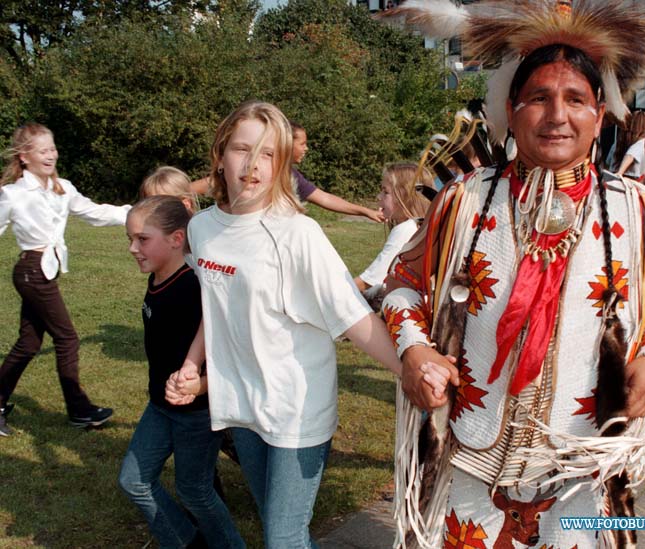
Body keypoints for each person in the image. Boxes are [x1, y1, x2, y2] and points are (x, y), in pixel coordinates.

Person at [380, 1, 645, 547]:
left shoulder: (635, 209)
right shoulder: (465, 200)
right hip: (473, 455)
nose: (557, 115)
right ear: (511, 107)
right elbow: (401, 284)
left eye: (576, 100)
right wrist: (414, 350)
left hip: (584, 463)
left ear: (600, 113)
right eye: (540, 98)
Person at [166, 100, 404, 548]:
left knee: (282, 537)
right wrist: (190, 364)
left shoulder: (298, 233)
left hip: (298, 409)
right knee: (280, 528)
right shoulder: (201, 229)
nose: (253, 165)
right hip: (243, 406)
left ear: (281, 165)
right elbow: (216, 305)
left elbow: (354, 316)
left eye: (269, 154)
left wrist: (410, 371)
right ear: (220, 154)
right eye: (242, 149)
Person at [118, 194, 244, 549]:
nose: (132, 248)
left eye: (142, 239)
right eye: (130, 239)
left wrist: (199, 385)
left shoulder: (196, 287)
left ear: (176, 239)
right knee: (134, 481)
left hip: (196, 414)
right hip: (159, 406)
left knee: (195, 490)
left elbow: (228, 351)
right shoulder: (159, 277)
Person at [0, 123, 128, 436]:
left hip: (45, 270)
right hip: (31, 271)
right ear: (24, 157)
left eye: (53, 148)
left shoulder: (63, 188)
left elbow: (95, 213)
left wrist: (137, 211)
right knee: (67, 338)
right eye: (43, 150)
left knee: (29, 343)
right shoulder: (13, 194)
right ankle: (79, 410)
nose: (51, 155)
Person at [188, 122, 384, 222]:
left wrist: (365, 211)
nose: (306, 148)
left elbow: (325, 199)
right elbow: (193, 188)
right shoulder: (241, 171)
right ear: (287, 143)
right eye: (303, 143)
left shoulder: (292, 176)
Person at [354, 163, 433, 306]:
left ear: (406, 196)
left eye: (385, 192)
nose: (379, 196)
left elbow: (368, 281)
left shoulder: (406, 229)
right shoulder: (421, 227)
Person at [614, 110, 645, 178]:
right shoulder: (641, 143)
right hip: (630, 181)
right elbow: (630, 155)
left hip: (612, 176)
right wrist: (620, 172)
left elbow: (608, 162)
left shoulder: (619, 142)